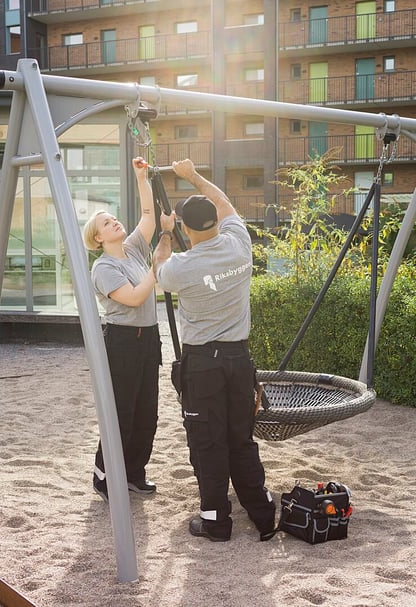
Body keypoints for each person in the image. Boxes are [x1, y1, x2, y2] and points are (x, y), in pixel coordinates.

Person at [153, 158, 276, 542]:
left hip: (203, 365)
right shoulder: (241, 245)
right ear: (216, 223)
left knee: (208, 442)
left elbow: (159, 268)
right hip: (240, 361)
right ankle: (263, 514)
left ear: (188, 227)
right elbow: (224, 202)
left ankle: (216, 522)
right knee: (241, 437)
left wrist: (166, 236)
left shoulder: (181, 267)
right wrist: (192, 176)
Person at [82, 156, 160, 502]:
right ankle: (104, 477)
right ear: (97, 238)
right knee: (122, 412)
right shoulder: (104, 267)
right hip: (123, 342)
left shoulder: (132, 249)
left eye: (113, 218)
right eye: (106, 223)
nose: (113, 222)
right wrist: (158, 270)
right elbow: (131, 298)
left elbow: (148, 217)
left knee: (147, 412)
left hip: (150, 338)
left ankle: (133, 474)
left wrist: (141, 179)